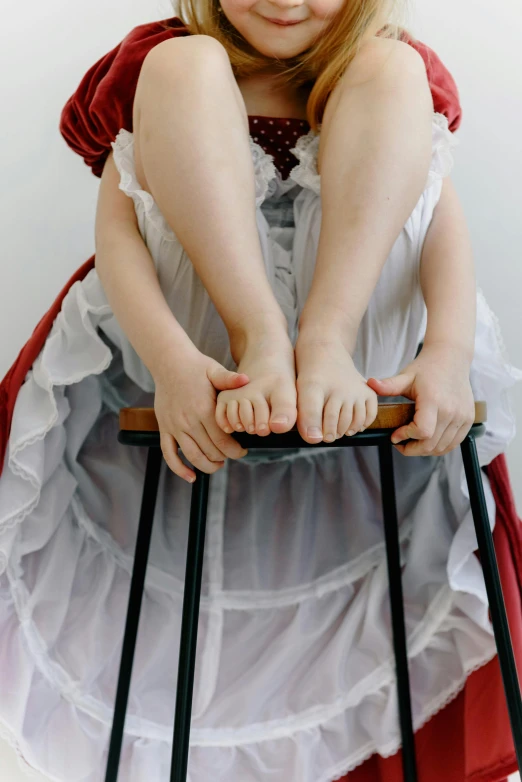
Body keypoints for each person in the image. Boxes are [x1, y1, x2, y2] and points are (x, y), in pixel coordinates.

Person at [0, 2, 521, 781]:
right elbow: (117, 240)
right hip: (206, 343)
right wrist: (175, 366)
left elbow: (438, 222)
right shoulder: (167, 61)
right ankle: (264, 337)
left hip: (355, 348)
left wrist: (445, 353)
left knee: (390, 70)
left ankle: (320, 337)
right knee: (182, 67)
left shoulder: (386, 65)